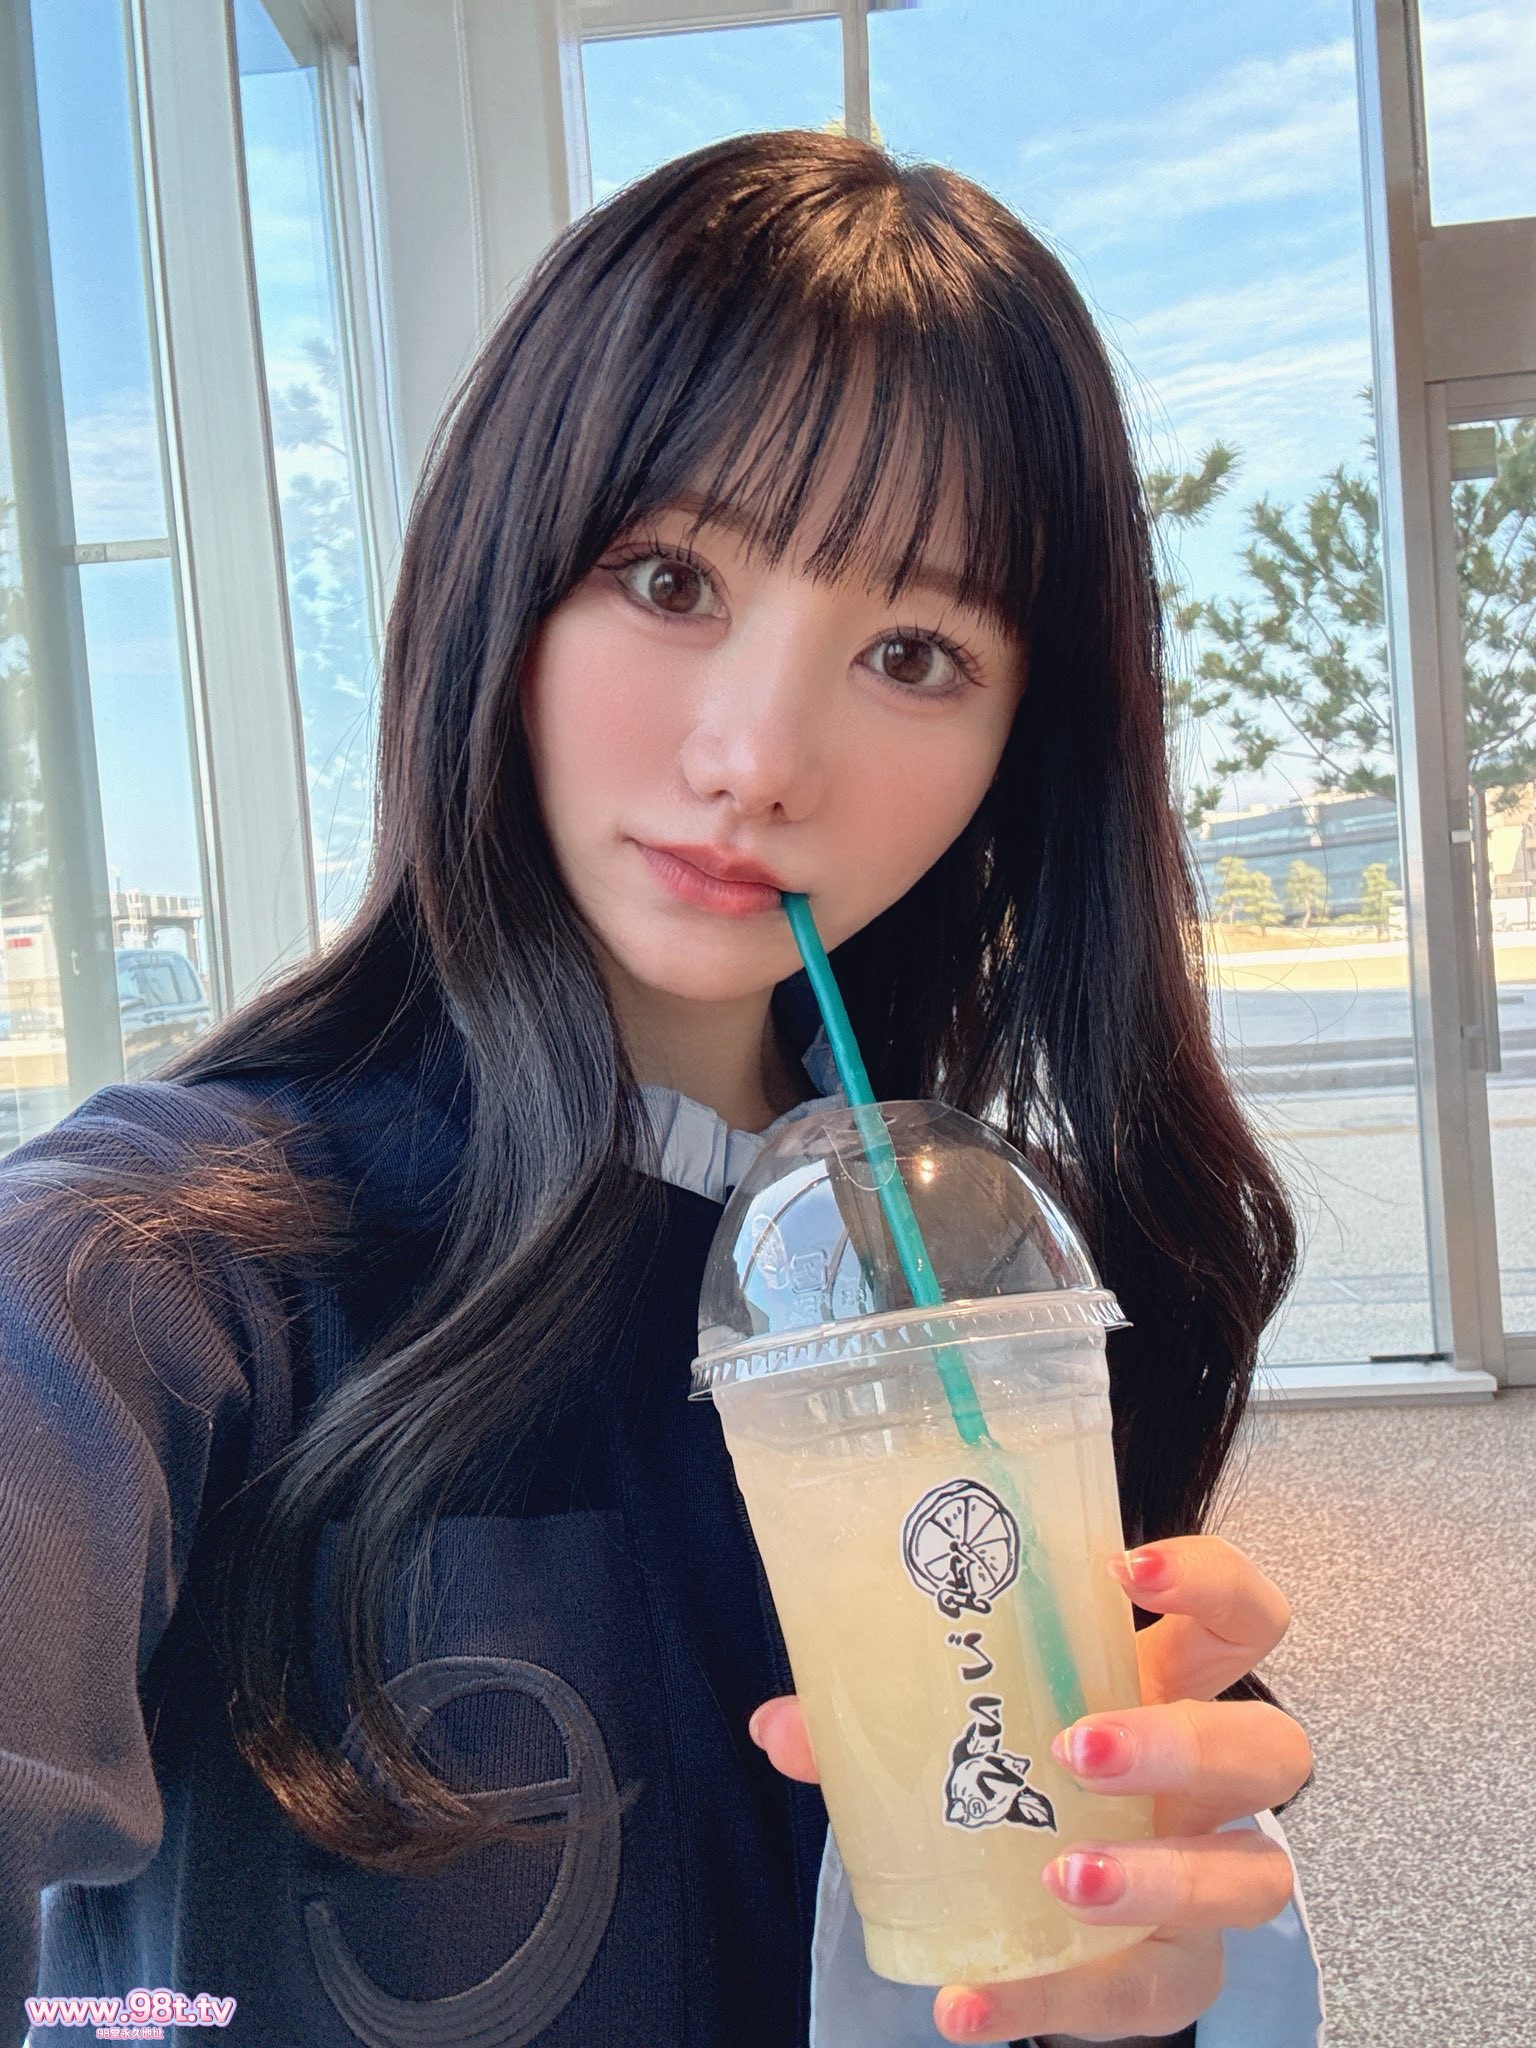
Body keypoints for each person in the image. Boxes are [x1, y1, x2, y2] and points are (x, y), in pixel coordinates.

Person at [0, 130, 1324, 2047]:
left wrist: (1134, 1980)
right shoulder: (135, 1279)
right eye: (670, 575)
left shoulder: (976, 1287)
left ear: (1019, 749)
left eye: (912, 650)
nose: (757, 757)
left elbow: (1031, 1949)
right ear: (503, 583)